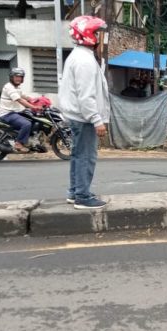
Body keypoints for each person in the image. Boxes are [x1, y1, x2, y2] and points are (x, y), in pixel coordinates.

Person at [58, 15, 110, 210]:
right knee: (86, 156)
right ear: (89, 35)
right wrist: (97, 120)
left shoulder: (79, 56)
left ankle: (75, 192)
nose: (100, 38)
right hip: (84, 118)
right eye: (97, 33)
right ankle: (82, 196)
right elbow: (86, 96)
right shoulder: (84, 61)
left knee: (78, 155)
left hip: (77, 116)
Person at [0, 67, 39, 153]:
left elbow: (24, 96)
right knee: (26, 124)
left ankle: (28, 140)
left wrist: (37, 100)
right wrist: (33, 106)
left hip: (15, 112)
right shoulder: (9, 87)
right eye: (16, 76)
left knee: (32, 119)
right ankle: (18, 143)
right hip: (7, 114)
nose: (18, 79)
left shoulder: (16, 87)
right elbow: (19, 100)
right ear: (11, 77)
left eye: (20, 77)